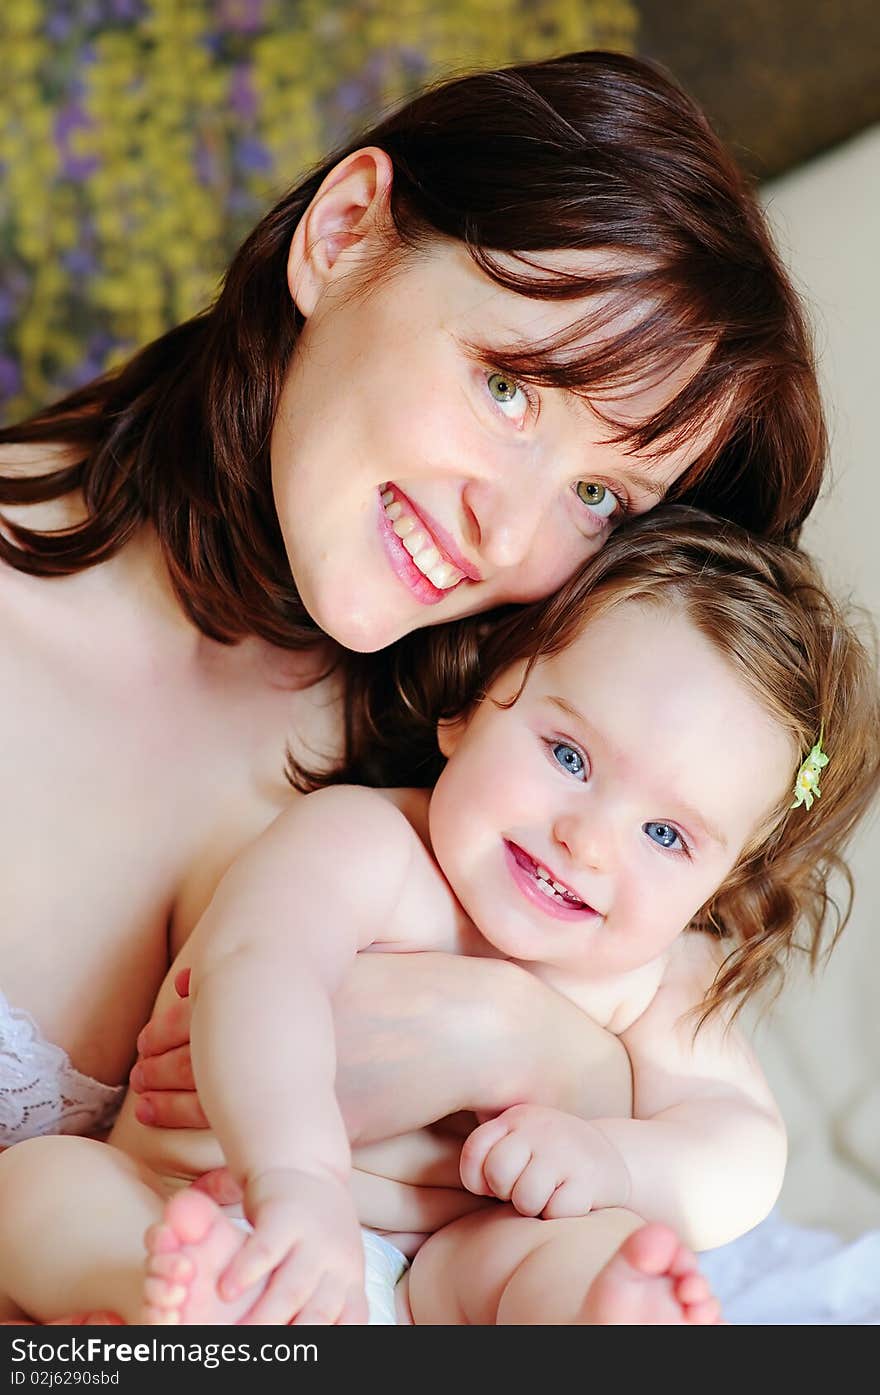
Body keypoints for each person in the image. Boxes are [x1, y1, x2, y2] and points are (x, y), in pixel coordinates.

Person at [0, 50, 828, 1319]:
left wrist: (526, 1049)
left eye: (598, 497)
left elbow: (681, 1076)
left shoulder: (491, 726)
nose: (507, 540)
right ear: (342, 235)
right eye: (509, 387)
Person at [1, 511, 877, 1326]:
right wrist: (294, 1180)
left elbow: (741, 1149)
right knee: (41, 1186)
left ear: (723, 885)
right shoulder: (365, 841)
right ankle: (166, 1303)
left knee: (576, 1248)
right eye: (568, 755)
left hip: (443, 1287)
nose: (588, 841)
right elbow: (258, 968)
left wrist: (617, 1162)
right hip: (218, 1206)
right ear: (467, 705)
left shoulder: (656, 972)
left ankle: (598, 1318)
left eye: (665, 833)